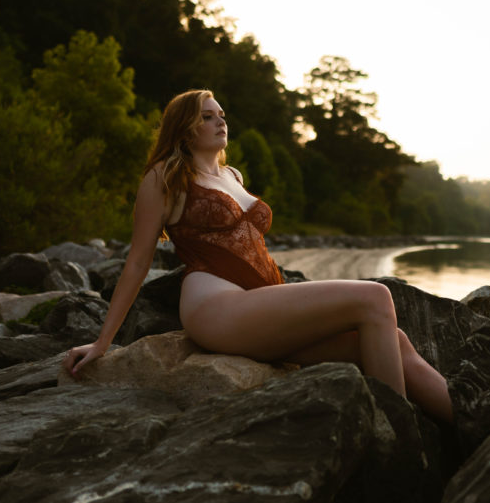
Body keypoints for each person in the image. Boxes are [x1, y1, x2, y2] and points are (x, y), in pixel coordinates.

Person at [63, 89, 453, 422]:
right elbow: (137, 262)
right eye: (207, 116)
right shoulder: (165, 177)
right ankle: (398, 437)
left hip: (264, 309)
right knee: (375, 297)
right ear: (184, 127)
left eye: (222, 115)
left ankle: (471, 421)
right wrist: (102, 343)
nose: (220, 122)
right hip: (217, 308)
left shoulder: (232, 176)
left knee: (395, 339)